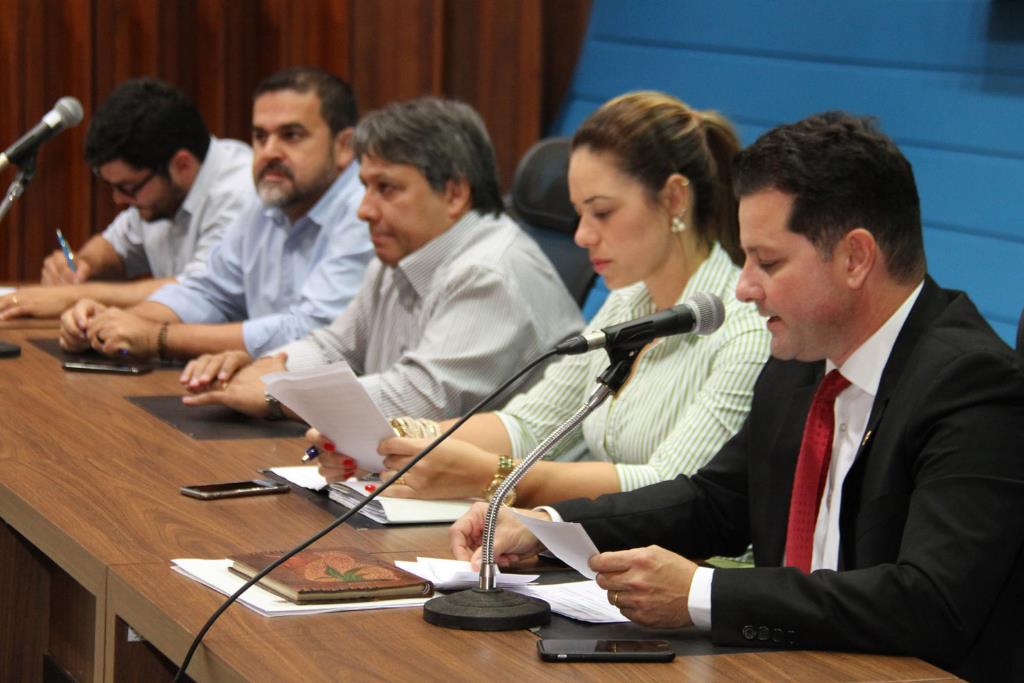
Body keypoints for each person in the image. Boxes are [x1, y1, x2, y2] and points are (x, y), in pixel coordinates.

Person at [450, 112, 1024, 682]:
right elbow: (715, 501)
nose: (745, 287)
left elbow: (929, 601)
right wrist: (550, 527)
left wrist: (702, 593)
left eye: (767, 262)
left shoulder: (973, 385)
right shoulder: (803, 359)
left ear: (855, 258)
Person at [313, 92, 769, 505]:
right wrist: (390, 440)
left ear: (673, 198)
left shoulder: (745, 331)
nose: (582, 235)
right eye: (579, 213)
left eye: (602, 212)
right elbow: (529, 425)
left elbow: (672, 486)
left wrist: (494, 477)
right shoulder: (629, 302)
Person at [177, 97, 584, 428]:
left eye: (386, 188)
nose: (364, 210)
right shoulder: (400, 254)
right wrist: (267, 368)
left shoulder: (489, 273)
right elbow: (336, 346)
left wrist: (278, 393)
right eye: (365, 187)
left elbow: (421, 400)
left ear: (455, 194)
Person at [57, 67, 373, 360]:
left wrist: (158, 336)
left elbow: (311, 332)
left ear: (344, 146)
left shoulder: (365, 210)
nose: (269, 152)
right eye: (260, 136)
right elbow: (209, 291)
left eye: (291, 135)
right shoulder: (266, 205)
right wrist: (111, 323)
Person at [0, 78, 254, 320]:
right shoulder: (159, 191)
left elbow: (197, 291)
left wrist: (70, 297)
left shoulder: (240, 193)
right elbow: (115, 246)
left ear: (183, 165)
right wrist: (82, 265)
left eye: (127, 187)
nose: (118, 199)